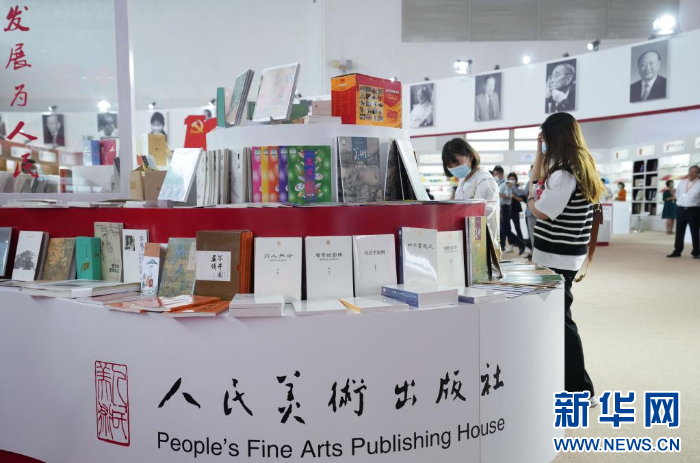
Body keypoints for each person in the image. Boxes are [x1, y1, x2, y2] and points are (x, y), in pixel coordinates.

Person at [528, 112, 605, 400]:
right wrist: (539, 154)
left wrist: (532, 200)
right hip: (567, 256)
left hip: (554, 258)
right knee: (558, 320)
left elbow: (543, 211)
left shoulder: (563, 175)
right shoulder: (582, 167)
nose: (545, 145)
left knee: (561, 322)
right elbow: (539, 183)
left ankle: (581, 389)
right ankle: (567, 382)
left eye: (546, 140)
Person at [442, 138, 500, 255]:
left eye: (457, 163)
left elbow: (483, 213)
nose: (454, 169)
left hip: (480, 244)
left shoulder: (484, 179)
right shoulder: (464, 181)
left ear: (470, 156)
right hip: (465, 240)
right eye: (450, 166)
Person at [667, 166, 700, 258]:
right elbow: (677, 194)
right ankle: (677, 251)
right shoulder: (682, 182)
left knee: (695, 231)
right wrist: (681, 201)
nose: (691, 173)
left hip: (694, 210)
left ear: (698, 174)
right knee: (679, 231)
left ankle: (696, 252)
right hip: (681, 209)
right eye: (690, 171)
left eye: (694, 172)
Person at [493, 166, 524, 253]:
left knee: (505, 229)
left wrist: (498, 195)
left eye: (496, 174)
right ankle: (518, 243)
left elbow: (508, 196)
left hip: (505, 208)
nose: (495, 176)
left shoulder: (505, 183)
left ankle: (520, 243)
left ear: (500, 174)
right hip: (500, 208)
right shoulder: (498, 183)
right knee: (504, 229)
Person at [507, 172, 529, 255]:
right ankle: (511, 244)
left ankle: (522, 244)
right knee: (507, 228)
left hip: (515, 209)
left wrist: (514, 196)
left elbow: (521, 199)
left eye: (513, 179)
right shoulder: (506, 187)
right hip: (507, 209)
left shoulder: (518, 188)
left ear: (516, 180)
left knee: (517, 227)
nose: (511, 180)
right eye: (510, 179)